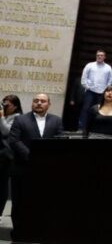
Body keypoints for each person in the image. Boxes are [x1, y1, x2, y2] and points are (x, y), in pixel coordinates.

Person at [8, 93, 63, 235]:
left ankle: (39, 230)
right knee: (19, 202)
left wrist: (46, 159)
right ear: (32, 103)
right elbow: (14, 141)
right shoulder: (20, 119)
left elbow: (59, 142)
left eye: (43, 101)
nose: (39, 103)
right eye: (36, 100)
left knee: (42, 201)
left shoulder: (56, 120)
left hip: (46, 170)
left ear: (49, 104)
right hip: (22, 168)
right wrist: (33, 157)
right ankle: (19, 231)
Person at [79, 49, 112, 129]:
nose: (99, 57)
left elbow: (110, 80)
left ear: (104, 57)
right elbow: (84, 78)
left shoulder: (108, 67)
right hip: (90, 92)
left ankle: (96, 128)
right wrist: (87, 87)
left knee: (100, 110)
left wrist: (106, 90)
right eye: (98, 55)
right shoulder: (89, 65)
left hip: (102, 93)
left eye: (101, 55)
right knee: (86, 109)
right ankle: (82, 127)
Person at [0, 95, 21, 218]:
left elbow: (6, 131)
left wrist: (1, 116)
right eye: (3, 104)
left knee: (2, 186)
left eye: (7, 105)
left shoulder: (18, 118)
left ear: (15, 106)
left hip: (5, 157)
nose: (4, 107)